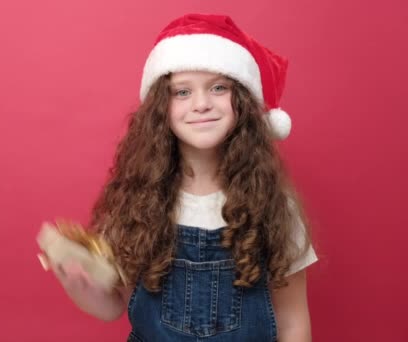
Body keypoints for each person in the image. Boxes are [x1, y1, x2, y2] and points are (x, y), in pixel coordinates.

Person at [41, 13, 317, 341]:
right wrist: (79, 285)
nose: (201, 104)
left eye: (218, 87)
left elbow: (292, 322)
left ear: (241, 101)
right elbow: (113, 306)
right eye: (182, 92)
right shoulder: (136, 200)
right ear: (161, 109)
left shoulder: (274, 205)